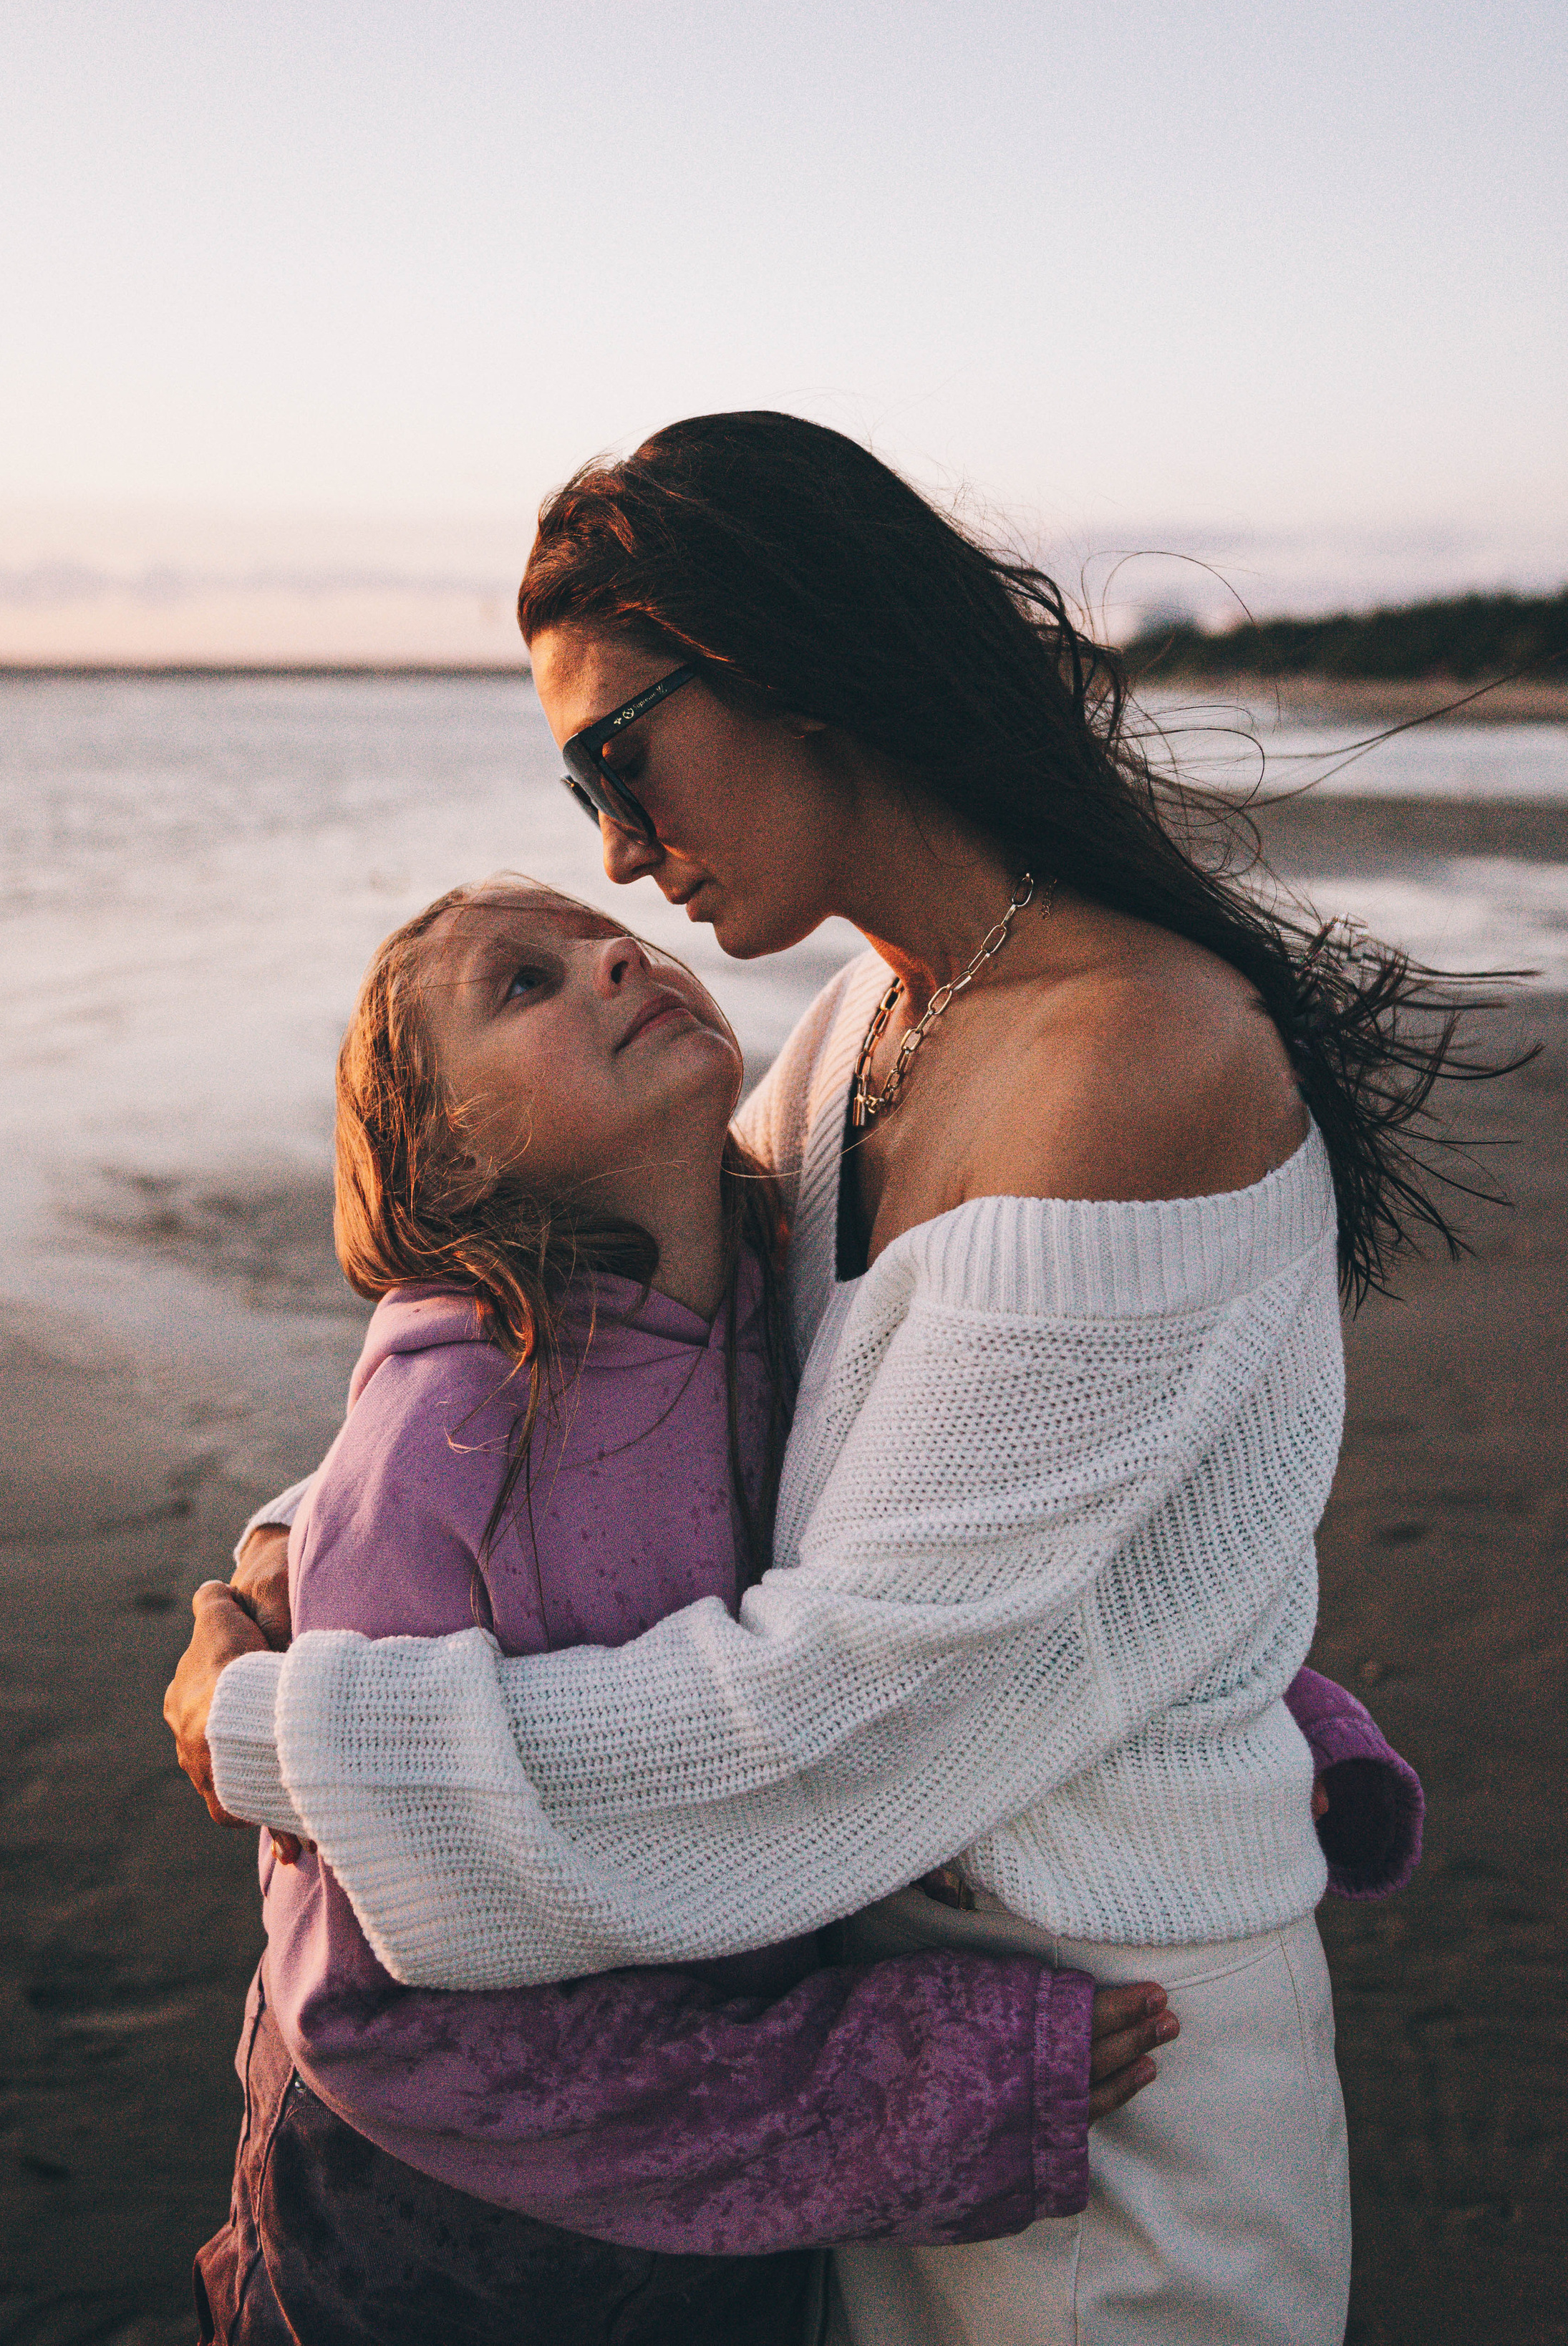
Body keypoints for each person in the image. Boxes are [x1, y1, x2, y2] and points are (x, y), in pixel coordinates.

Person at [171, 412, 1438, 2345]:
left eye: (619, 752)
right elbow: (624, 1352)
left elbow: (846, 1704)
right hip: (860, 2047)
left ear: (788, 658)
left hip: (1114, 2061)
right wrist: (293, 1553)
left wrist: (293, 1741)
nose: (609, 848)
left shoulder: (1139, 1059)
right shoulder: (868, 1025)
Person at [186, 878, 1187, 2346]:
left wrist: (1273, 1714)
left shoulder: (776, 1292)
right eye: (522, 984)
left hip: (694, 2251)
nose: (612, 953)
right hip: (426, 2246)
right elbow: (401, 2008)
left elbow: (992, 1531)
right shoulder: (442, 1440)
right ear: (449, 1149)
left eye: (614, 938)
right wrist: (912, 2077)